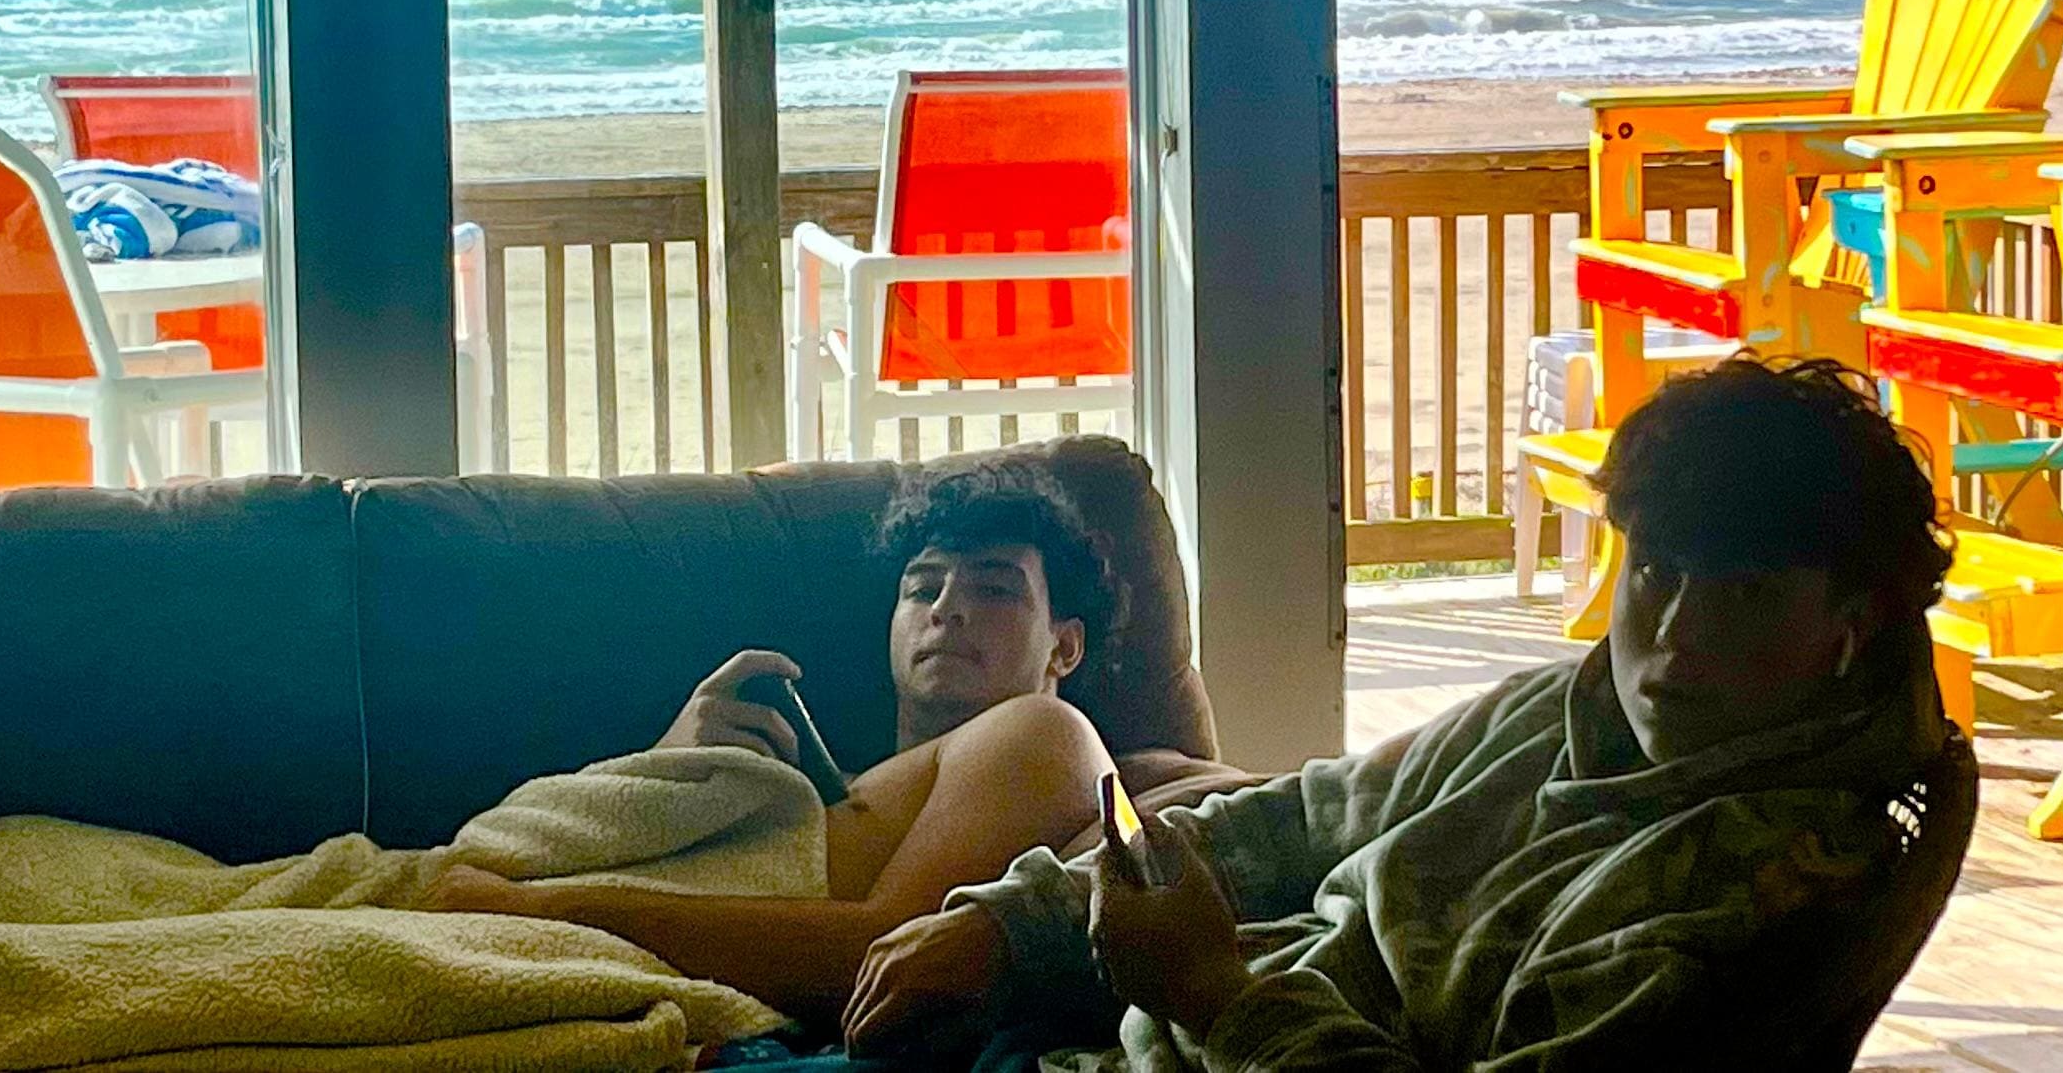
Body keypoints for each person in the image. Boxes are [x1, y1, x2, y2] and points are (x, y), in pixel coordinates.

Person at [846, 357, 1976, 1071]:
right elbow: (1309, 815)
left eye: (1747, 594)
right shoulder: (1575, 705)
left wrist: (1214, 993)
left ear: (1855, 621)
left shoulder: (1761, 896)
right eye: (1654, 571)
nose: (1675, 634)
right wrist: (1011, 922)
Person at [423, 463, 1124, 1023]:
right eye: (921, 588)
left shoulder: (1043, 730)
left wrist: (539, 910)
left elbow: (888, 957)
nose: (945, 608)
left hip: (533, 928)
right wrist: (668, 770)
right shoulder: (836, 776)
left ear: (1064, 645)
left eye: (994, 589)